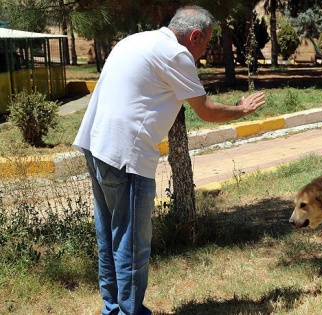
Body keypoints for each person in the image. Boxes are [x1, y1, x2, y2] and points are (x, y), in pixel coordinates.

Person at [73, 6, 265, 315]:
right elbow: (206, 109)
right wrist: (241, 110)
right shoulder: (176, 54)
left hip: (96, 147)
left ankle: (113, 309)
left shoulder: (136, 40)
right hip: (126, 157)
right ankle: (129, 312)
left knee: (109, 236)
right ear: (195, 36)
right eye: (207, 42)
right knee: (133, 243)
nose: (206, 50)